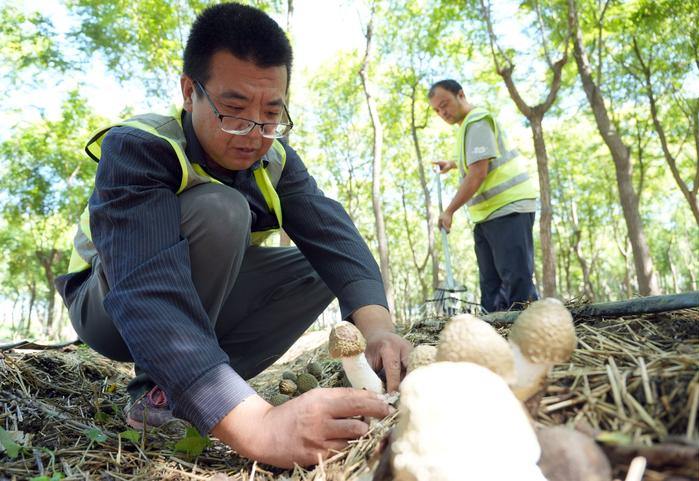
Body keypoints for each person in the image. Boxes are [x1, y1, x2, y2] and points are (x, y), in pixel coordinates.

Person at [55, 2, 411, 469]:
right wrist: (259, 427)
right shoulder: (139, 147)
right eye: (234, 110)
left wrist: (378, 329)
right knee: (221, 210)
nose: (253, 134)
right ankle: (167, 390)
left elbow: (335, 239)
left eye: (270, 115)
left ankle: (192, 394)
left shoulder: (275, 161)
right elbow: (145, 288)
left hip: (195, 303)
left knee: (315, 268)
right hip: (107, 302)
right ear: (189, 91)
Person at [428, 79, 539, 313]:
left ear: (461, 94)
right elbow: (475, 160)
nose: (442, 112)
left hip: (508, 208)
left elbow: (478, 173)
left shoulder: (477, 121)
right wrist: (453, 163)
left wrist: (449, 211)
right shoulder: (467, 127)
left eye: (445, 104)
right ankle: (496, 339)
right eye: (437, 110)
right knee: (491, 288)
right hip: (487, 216)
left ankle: (531, 338)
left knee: (516, 283)